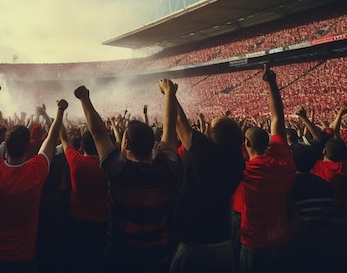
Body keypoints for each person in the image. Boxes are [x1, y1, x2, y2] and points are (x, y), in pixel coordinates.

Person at [74, 81, 181, 273]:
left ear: (127, 145)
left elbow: (98, 134)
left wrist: (84, 99)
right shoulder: (166, 169)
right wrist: (169, 94)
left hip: (120, 256)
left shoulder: (119, 170)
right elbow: (170, 128)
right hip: (157, 257)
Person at [0, 82, 66, 273]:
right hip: (22, 258)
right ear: (27, 149)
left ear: (5, 146)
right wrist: (60, 110)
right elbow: (51, 138)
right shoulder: (35, 172)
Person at [167, 80, 245, 273]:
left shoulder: (206, 153)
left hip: (195, 241)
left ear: (210, 133)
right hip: (222, 240)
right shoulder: (237, 160)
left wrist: (170, 93)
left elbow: (178, 122)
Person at [234, 65, 296, 273]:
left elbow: (278, 119)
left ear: (246, 145)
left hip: (254, 245)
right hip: (283, 240)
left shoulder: (244, 172)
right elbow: (278, 118)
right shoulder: (283, 161)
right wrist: (272, 84)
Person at [59, 127, 108, 273]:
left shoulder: (76, 161)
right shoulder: (108, 167)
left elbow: (64, 139)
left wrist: (60, 112)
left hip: (76, 221)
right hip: (100, 222)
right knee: (95, 260)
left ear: (82, 145)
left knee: (74, 260)